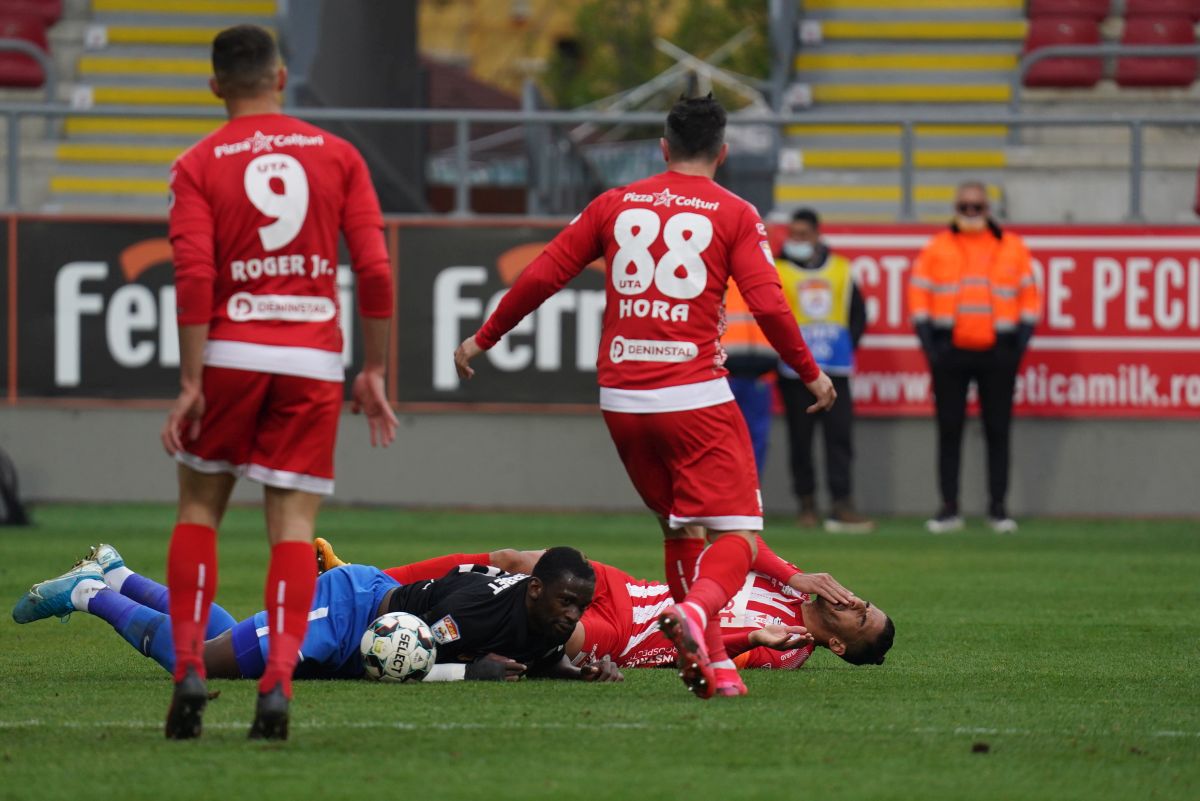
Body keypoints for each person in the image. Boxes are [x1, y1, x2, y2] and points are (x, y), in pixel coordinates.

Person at [453, 95, 836, 700]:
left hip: (623, 400)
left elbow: (545, 271)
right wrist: (809, 371)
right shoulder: (733, 211)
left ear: (663, 148)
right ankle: (697, 621)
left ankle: (710, 665)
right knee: (736, 536)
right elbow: (767, 302)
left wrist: (483, 337)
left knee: (679, 530)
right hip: (694, 395)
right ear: (723, 153)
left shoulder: (615, 203)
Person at [161, 25, 398, 740]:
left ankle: (186, 673)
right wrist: (375, 369)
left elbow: (195, 276)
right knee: (292, 526)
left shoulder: (198, 163)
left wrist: (191, 379)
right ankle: (277, 684)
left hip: (232, 350)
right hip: (310, 359)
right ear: (282, 77)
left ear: (214, 87)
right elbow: (378, 271)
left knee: (200, 511)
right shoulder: (338, 156)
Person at [11, 544, 621, 695]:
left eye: (580, 607)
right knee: (198, 661)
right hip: (350, 611)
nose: (574, 616)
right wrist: (469, 676)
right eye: (567, 603)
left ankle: (116, 573)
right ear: (534, 589)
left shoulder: (546, 621)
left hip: (365, 614)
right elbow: (403, 653)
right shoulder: (478, 607)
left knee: (227, 640)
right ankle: (89, 593)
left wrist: (576, 671)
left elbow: (539, 655)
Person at [314, 536, 895, 673]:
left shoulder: (786, 650)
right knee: (513, 562)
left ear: (840, 642)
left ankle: (421, 655)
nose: (852, 600)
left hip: (622, 634)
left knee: (525, 628)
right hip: (625, 589)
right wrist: (797, 576)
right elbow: (737, 543)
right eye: (863, 599)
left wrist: (751, 641)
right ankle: (371, 582)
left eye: (860, 614)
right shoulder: (791, 586)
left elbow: (700, 652)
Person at [908, 182, 1041, 534]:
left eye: (976, 207)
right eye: (964, 207)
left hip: (998, 351)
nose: (970, 213)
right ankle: (948, 509)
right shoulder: (938, 248)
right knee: (948, 431)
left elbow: (1030, 298)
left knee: (998, 431)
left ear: (988, 209)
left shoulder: (1012, 247)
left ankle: (998, 509)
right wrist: (930, 345)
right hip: (949, 350)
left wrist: (1018, 345)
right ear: (955, 208)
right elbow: (918, 296)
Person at [776, 209, 873, 533]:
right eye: (793, 234)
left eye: (803, 235)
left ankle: (842, 503)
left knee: (839, 439)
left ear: (818, 236)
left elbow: (858, 314)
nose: (796, 241)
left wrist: (845, 345)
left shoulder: (841, 270)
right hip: (795, 373)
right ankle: (806, 504)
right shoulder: (778, 269)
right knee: (800, 440)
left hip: (835, 370)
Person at [722, 281, 777, 473]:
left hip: (762, 376)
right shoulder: (718, 277)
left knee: (757, 439)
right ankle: (725, 496)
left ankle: (752, 496)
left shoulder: (769, 277)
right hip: (725, 376)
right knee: (722, 439)